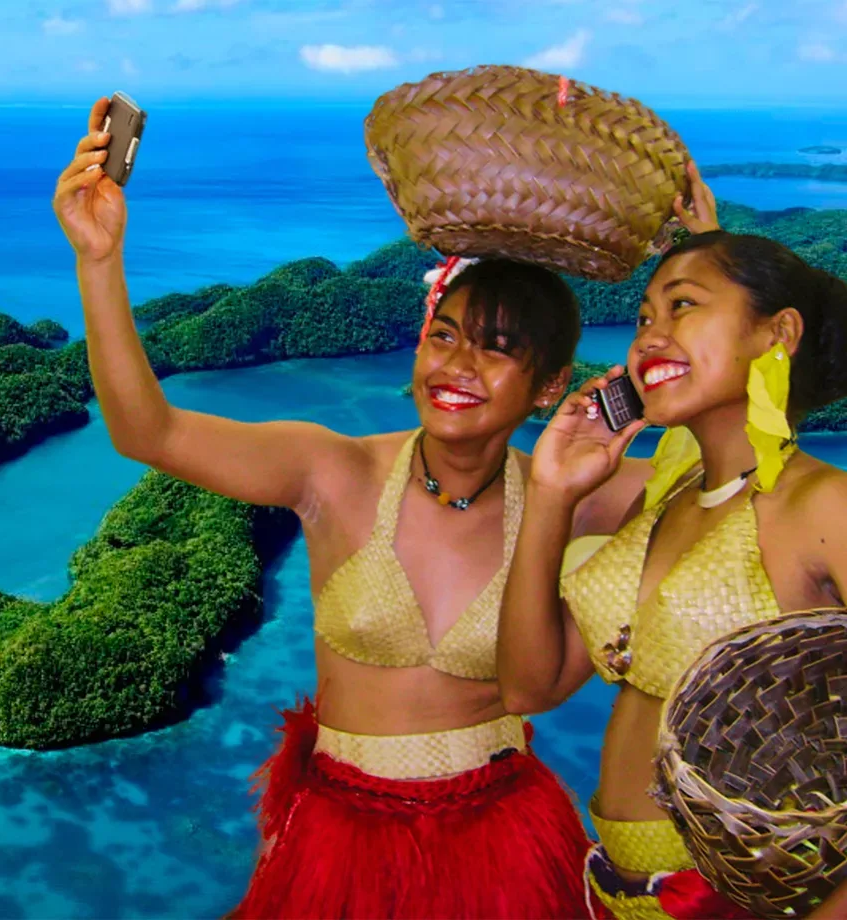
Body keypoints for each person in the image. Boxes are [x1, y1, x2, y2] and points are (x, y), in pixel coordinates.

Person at [54, 95, 595, 918]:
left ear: (550, 385)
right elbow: (147, 430)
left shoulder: (571, 494)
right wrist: (99, 261)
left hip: (506, 843)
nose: (456, 364)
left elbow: (741, 480)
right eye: (443, 334)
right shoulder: (331, 470)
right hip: (341, 840)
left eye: (497, 348)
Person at [498, 168, 847, 920]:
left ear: (779, 332)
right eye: (643, 316)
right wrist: (555, 497)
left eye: (682, 308)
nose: (650, 335)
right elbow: (527, 688)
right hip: (613, 896)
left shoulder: (824, 506)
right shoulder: (671, 492)